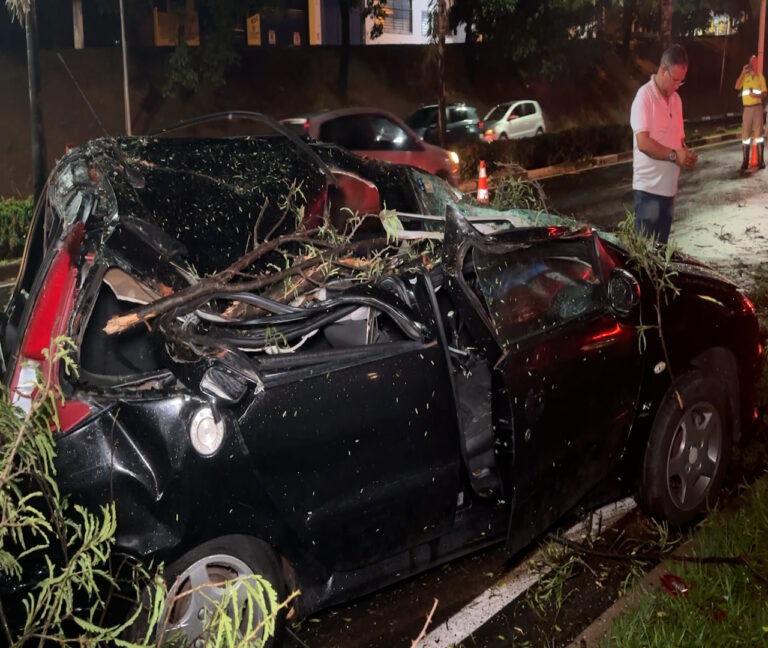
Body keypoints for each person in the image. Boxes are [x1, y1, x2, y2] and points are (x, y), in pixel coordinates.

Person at [630, 44, 697, 244]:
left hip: (669, 191)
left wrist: (685, 155)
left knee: (661, 254)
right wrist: (675, 156)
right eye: (675, 80)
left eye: (681, 82)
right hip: (648, 191)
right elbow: (643, 143)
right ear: (663, 70)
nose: (677, 85)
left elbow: (679, 139)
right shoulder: (644, 97)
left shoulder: (676, 100)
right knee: (644, 256)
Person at [734, 54, 767, 170]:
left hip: (757, 108)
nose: (753, 63)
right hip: (747, 109)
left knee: (759, 136)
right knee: (746, 135)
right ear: (749, 64)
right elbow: (737, 86)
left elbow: (764, 93)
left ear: (757, 63)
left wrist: (756, 95)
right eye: (751, 61)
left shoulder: (760, 77)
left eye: (755, 61)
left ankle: (761, 161)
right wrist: (742, 73)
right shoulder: (745, 76)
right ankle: (745, 161)